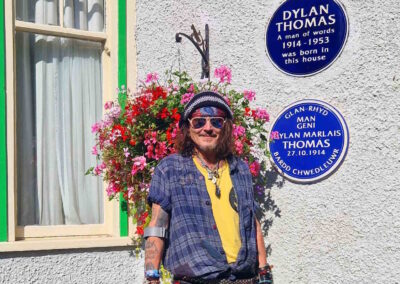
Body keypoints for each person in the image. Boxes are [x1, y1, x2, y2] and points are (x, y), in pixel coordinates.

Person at [144, 91, 272, 283]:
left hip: (244, 278)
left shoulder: (240, 169)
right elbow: (157, 226)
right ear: (188, 127)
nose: (208, 127)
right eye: (199, 121)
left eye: (216, 121)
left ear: (226, 127)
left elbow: (252, 222)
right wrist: (151, 276)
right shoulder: (170, 169)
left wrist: (264, 271)